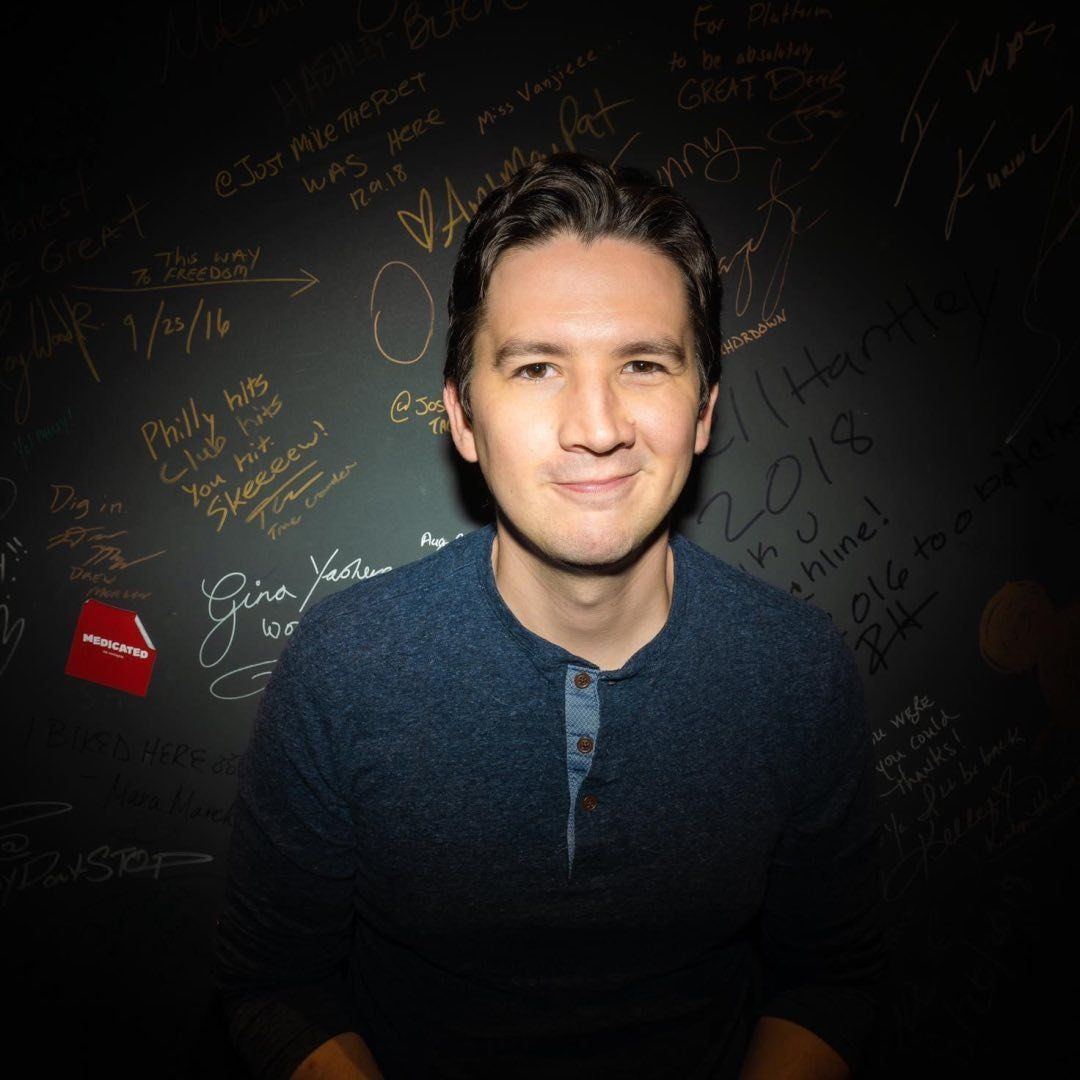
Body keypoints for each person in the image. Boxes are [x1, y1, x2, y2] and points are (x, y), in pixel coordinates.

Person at [214, 152, 885, 1079]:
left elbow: (836, 978)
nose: (597, 427)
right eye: (536, 368)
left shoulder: (798, 673)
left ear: (703, 412)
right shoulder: (344, 667)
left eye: (642, 365)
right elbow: (273, 983)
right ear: (462, 418)